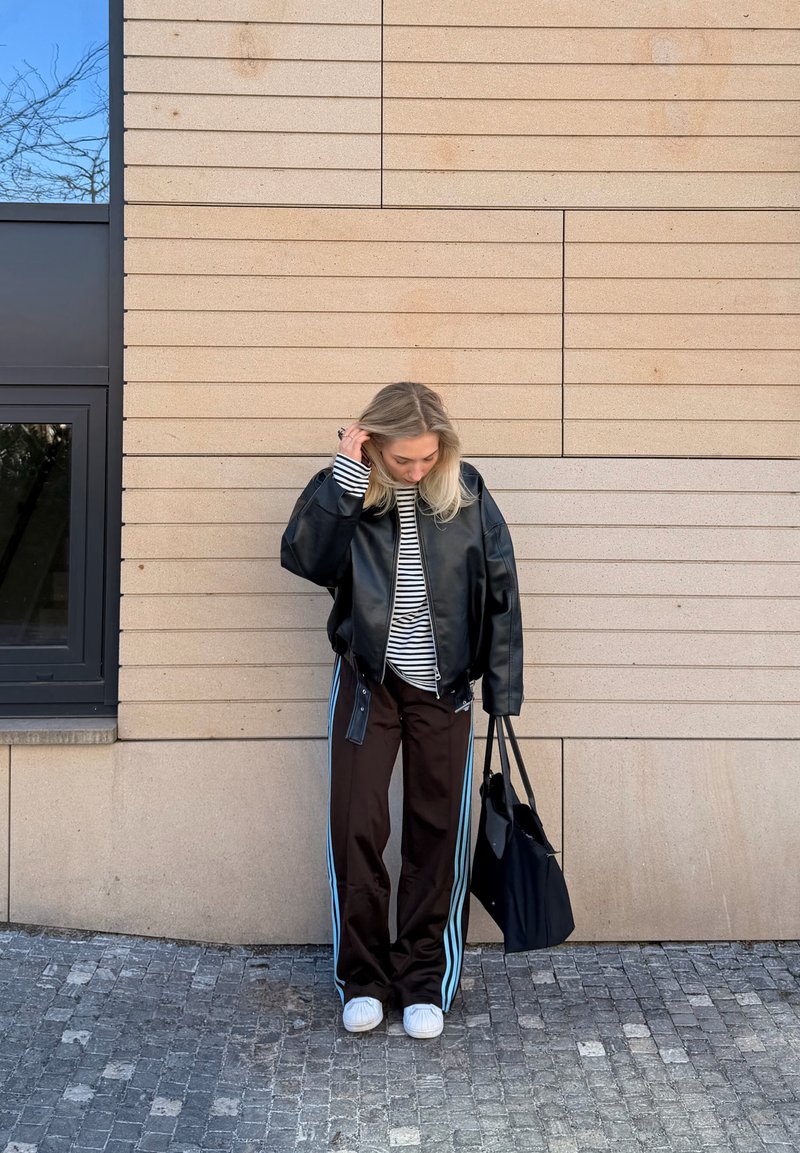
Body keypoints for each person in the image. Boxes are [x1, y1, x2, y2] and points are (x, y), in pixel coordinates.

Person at [280, 381, 524, 1039]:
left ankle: (423, 980)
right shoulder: (348, 489)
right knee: (355, 827)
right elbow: (305, 558)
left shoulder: (466, 491)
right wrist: (345, 478)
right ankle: (362, 979)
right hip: (368, 684)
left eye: (427, 457)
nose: (416, 470)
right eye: (402, 459)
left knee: (436, 831)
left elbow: (501, 588)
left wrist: (502, 693)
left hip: (444, 688)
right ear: (375, 445)